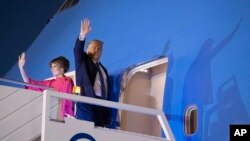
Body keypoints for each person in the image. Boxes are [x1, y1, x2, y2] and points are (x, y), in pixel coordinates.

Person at [74, 18, 112, 127]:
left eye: (99, 48)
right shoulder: (82, 60)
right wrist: (82, 35)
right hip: (86, 102)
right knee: (89, 131)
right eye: (93, 47)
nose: (96, 50)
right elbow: (77, 50)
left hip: (101, 105)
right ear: (87, 48)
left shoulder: (103, 69)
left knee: (100, 132)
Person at [18, 52, 74, 119]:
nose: (51, 69)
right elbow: (30, 83)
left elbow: (70, 100)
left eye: (54, 66)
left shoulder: (68, 81)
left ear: (62, 68)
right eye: (51, 67)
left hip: (68, 117)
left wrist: (67, 114)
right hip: (53, 117)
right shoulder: (50, 83)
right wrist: (21, 68)